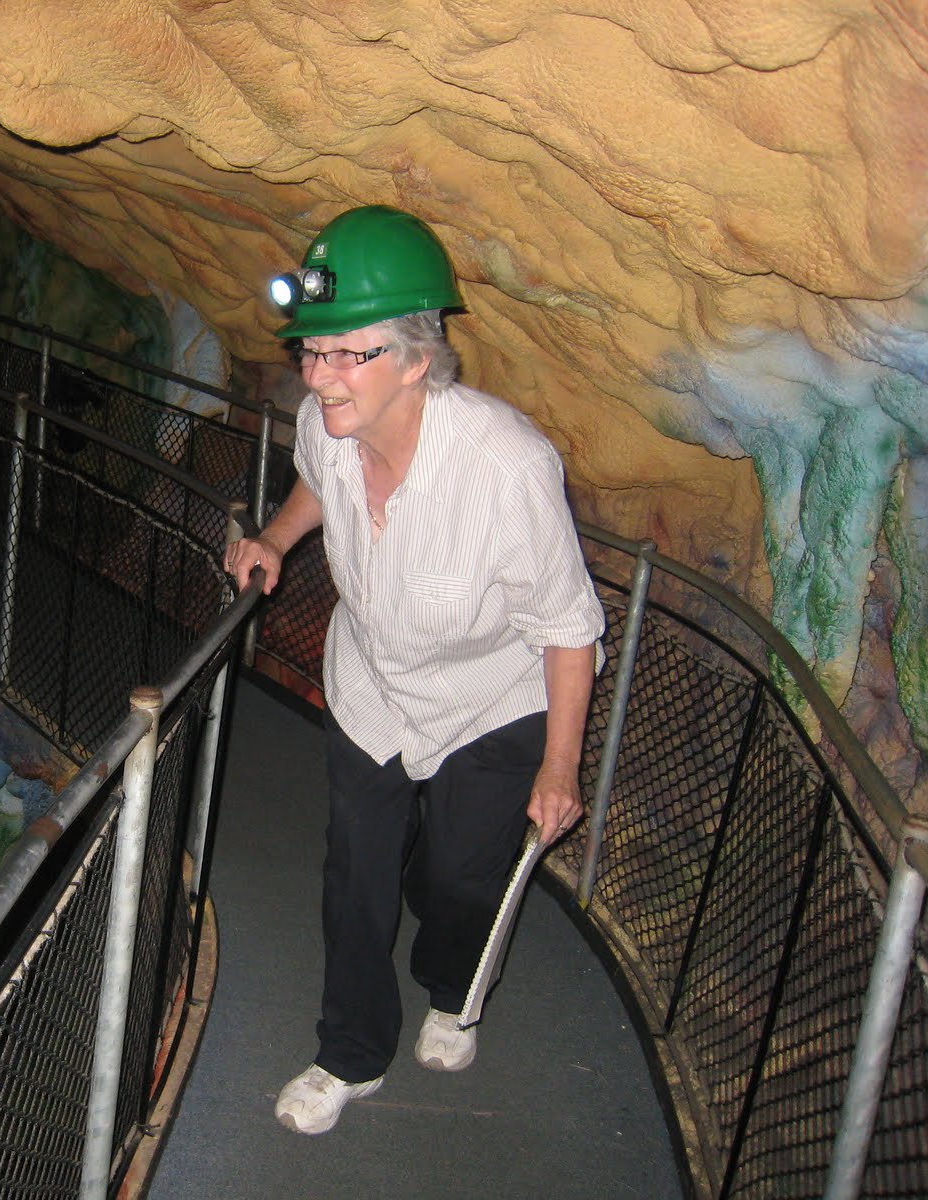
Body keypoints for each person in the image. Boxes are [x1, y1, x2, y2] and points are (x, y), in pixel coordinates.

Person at [226, 205, 605, 1136]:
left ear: (417, 360)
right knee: (354, 872)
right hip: (372, 689)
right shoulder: (328, 421)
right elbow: (317, 480)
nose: (319, 377)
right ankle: (349, 1055)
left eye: (346, 355)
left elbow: (567, 628)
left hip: (490, 700)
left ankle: (453, 983)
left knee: (459, 881)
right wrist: (276, 537)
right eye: (313, 353)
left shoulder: (507, 466)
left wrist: (560, 769)